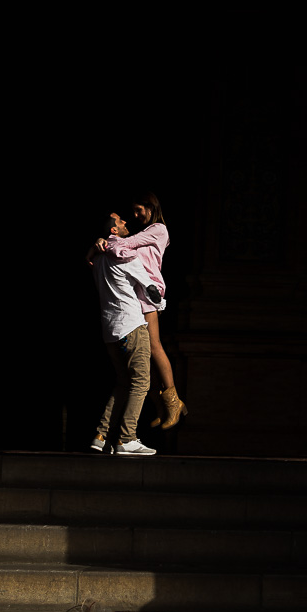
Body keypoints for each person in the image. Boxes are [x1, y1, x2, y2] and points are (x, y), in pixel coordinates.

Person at [95, 192, 187, 430]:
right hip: (137, 295)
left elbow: (125, 245)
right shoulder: (143, 232)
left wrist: (102, 242)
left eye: (139, 210)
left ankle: (174, 403)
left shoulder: (159, 229)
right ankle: (160, 406)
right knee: (144, 356)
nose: (135, 216)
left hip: (149, 292)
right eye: (133, 212)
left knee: (154, 347)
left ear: (150, 207)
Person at [89, 212, 157, 456]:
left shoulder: (97, 258)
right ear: (114, 231)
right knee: (141, 383)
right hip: (132, 326)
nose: (126, 222)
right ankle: (126, 439)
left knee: (123, 383)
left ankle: (100, 435)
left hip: (110, 331)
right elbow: (150, 288)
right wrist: (160, 304)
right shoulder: (125, 255)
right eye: (120, 221)